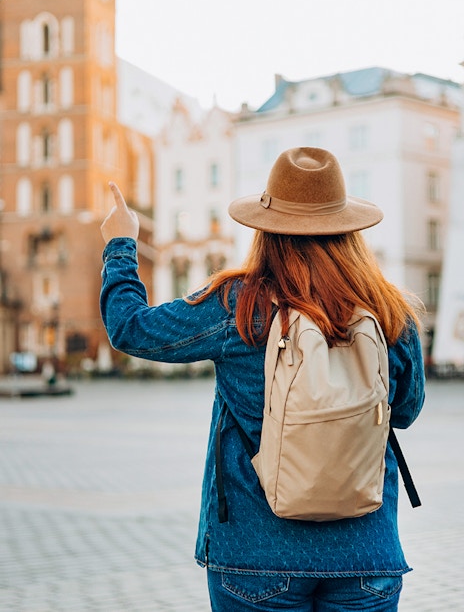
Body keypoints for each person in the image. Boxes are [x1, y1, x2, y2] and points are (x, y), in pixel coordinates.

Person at [100, 147, 425, 611]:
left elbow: (130, 327)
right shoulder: (389, 309)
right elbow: (406, 411)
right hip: (366, 555)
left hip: (256, 554)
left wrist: (120, 244)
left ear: (266, 230)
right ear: (348, 228)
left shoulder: (240, 302)